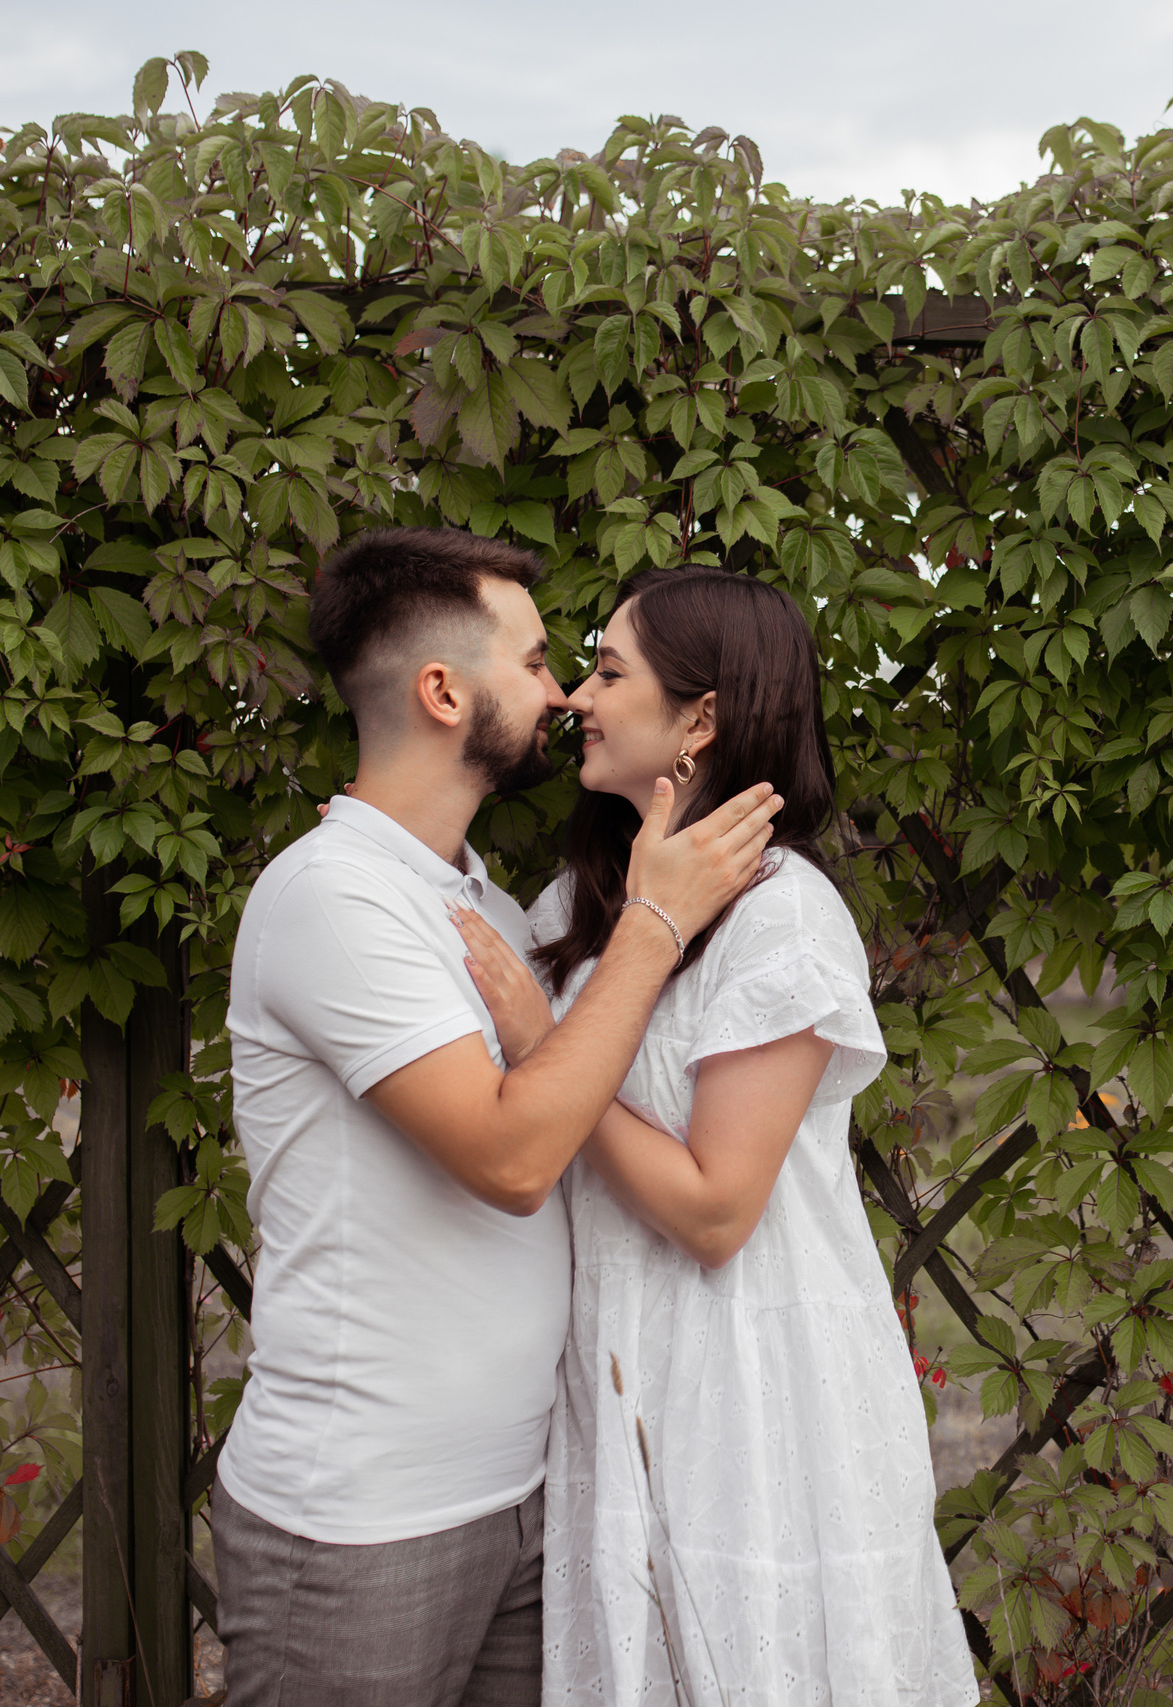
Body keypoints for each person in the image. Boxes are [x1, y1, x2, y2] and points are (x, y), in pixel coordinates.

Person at [215, 529, 785, 1707]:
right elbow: (518, 1156)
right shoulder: (334, 897)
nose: (563, 691)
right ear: (441, 691)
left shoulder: (473, 897)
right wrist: (655, 922)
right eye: (534, 662)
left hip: (523, 1498)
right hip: (362, 1521)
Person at [449, 566, 977, 1706]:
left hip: (754, 1391)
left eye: (607, 672)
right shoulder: (571, 910)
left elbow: (715, 1210)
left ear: (700, 719)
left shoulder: (782, 916)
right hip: (617, 1375)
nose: (578, 698)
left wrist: (550, 1046)